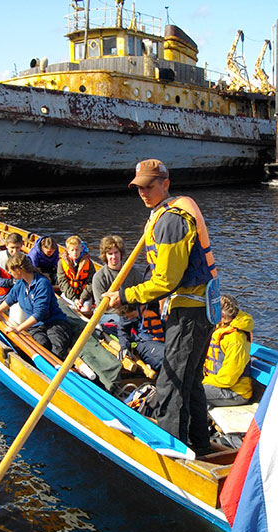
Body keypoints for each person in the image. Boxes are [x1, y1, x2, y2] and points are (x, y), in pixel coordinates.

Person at [104, 159, 218, 454]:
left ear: (165, 184)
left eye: (149, 186)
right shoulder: (163, 215)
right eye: (139, 187)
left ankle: (170, 449)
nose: (143, 192)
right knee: (190, 381)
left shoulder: (170, 221)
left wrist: (126, 296)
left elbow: (166, 280)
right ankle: (200, 445)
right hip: (199, 310)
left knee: (172, 379)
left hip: (190, 312)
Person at [0, 253, 73, 357]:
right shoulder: (20, 284)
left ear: (18, 271)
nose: (10, 274)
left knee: (57, 349)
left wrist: (17, 329)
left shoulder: (42, 284)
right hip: (35, 326)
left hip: (54, 322)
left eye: (10, 271)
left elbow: (40, 313)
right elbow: (9, 300)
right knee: (41, 345)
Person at [202, 295, 254, 406]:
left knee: (190, 391)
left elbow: (228, 379)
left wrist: (203, 381)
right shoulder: (221, 328)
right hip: (217, 384)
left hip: (235, 392)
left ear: (222, 315)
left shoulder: (236, 339)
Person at [92, 234, 143, 324]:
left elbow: (142, 295)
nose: (114, 257)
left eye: (116, 252)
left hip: (133, 313)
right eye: (110, 254)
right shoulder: (99, 277)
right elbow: (101, 306)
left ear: (121, 253)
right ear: (105, 256)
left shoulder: (134, 273)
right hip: (109, 315)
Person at [114, 303, 165, 372]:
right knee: (165, 357)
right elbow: (123, 330)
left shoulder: (157, 303)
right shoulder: (127, 309)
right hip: (146, 343)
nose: (129, 318)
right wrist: (124, 347)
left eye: (132, 316)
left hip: (167, 340)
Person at [57, 235, 94, 314]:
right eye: (72, 250)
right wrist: (74, 299)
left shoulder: (88, 262)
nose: (75, 252)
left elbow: (91, 282)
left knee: (86, 310)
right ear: (68, 250)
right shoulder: (61, 263)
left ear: (81, 249)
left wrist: (82, 298)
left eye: (77, 249)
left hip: (84, 295)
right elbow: (62, 282)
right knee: (64, 308)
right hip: (69, 294)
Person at [0, 232, 24, 302]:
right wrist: (10, 282)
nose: (15, 251)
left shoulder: (26, 258)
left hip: (20, 292)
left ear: (21, 246)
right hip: (2, 295)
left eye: (17, 248)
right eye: (12, 248)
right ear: (6, 245)